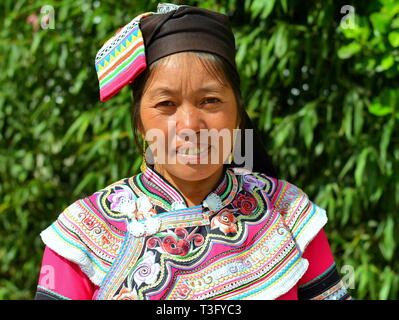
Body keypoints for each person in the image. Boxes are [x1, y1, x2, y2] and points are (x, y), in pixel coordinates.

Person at [35, 3, 351, 300]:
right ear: (140, 122)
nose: (190, 125)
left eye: (210, 101)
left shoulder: (287, 213)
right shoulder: (83, 233)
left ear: (238, 115)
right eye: (166, 105)